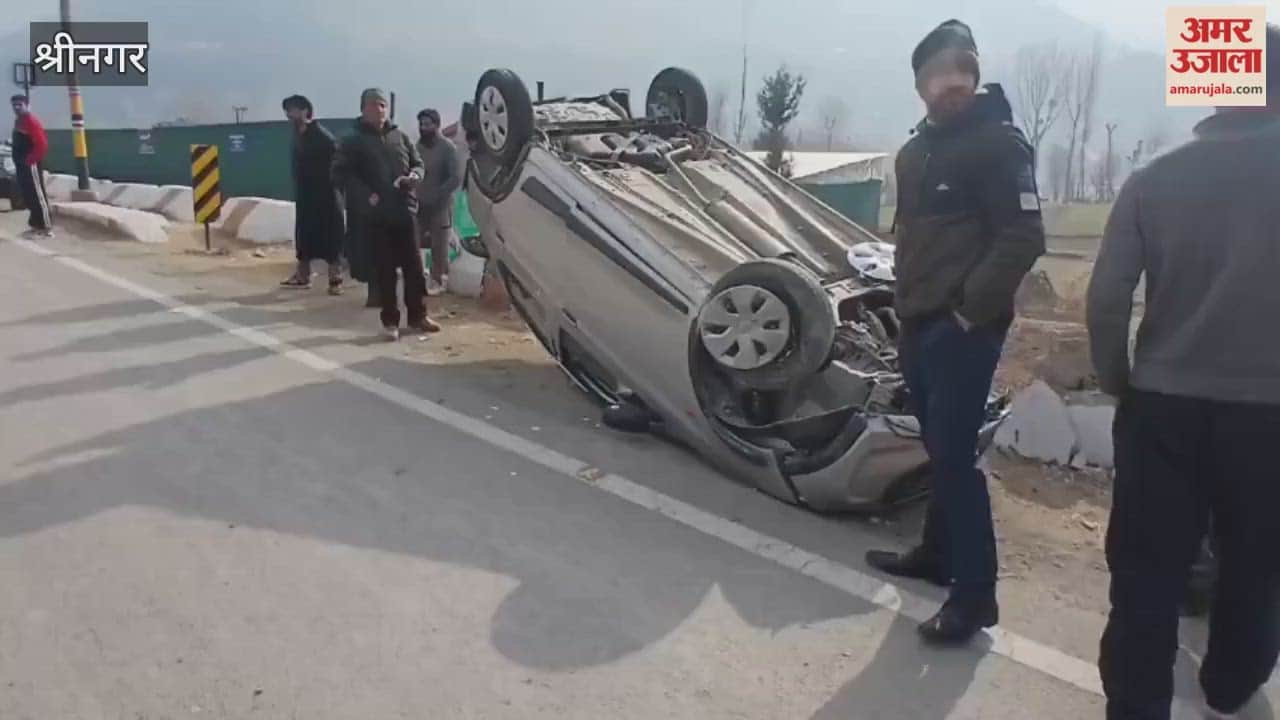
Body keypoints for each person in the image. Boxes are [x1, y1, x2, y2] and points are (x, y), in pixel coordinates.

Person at [1087, 24, 1280, 720]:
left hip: (1163, 405)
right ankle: (1230, 685)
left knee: (1145, 574)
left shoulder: (1153, 179)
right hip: (1269, 416)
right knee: (1257, 562)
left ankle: (1136, 707)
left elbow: (1107, 301)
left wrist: (1118, 380)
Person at [864, 19, 1045, 646]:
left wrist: (967, 314)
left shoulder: (998, 144)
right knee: (938, 449)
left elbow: (1024, 236)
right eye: (940, 74)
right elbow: (913, 240)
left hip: (963, 329)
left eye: (962, 70)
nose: (953, 83)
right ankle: (937, 554)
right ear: (921, 85)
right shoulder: (917, 152)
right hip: (917, 322)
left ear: (974, 74)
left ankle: (974, 598)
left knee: (954, 458)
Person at [331, 88, 440, 340]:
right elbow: (340, 174)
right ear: (362, 109)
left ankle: (418, 316)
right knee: (385, 270)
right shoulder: (351, 140)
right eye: (372, 105)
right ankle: (390, 322)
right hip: (375, 216)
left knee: (414, 267)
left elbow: (418, 163)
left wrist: (415, 177)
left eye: (381, 105)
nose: (378, 110)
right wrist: (365, 195)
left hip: (404, 211)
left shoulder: (399, 136)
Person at [281, 95, 345, 295]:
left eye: (293, 110)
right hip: (306, 196)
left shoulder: (323, 137)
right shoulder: (298, 136)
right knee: (304, 235)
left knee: (331, 237)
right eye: (288, 111)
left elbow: (338, 163)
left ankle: (335, 279)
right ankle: (303, 275)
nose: (290, 115)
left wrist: (335, 186)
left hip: (326, 195)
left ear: (305, 111)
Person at [415, 108, 462, 296]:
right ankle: (418, 277)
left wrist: (438, 194)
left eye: (428, 124)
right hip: (419, 203)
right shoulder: (417, 148)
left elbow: (455, 178)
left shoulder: (447, 148)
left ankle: (438, 279)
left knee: (439, 244)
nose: (424, 128)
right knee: (414, 240)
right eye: (421, 124)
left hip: (440, 204)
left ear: (436, 125)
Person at [10, 95, 52, 238]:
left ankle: (46, 228)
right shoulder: (19, 121)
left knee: (38, 195)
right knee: (29, 195)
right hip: (22, 166)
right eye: (14, 105)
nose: (16, 108)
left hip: (31, 165)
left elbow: (42, 145)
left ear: (27, 105)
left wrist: (30, 161)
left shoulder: (31, 121)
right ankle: (36, 225)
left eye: (19, 105)